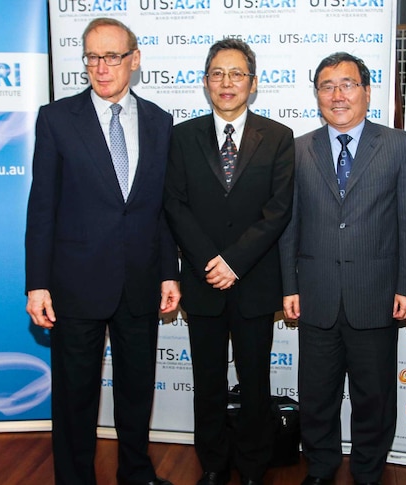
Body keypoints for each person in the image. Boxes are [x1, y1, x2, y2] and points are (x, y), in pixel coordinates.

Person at [25, 17, 180, 485]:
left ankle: (136, 471)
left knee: (135, 391)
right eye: (92, 56)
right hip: (75, 283)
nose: (101, 66)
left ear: (134, 60)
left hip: (140, 279)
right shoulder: (56, 119)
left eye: (112, 56)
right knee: (75, 396)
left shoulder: (159, 121)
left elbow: (161, 207)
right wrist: (37, 283)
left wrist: (169, 272)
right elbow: (42, 206)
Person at [279, 52, 406, 485]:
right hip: (317, 295)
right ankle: (321, 469)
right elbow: (289, 225)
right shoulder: (298, 148)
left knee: (373, 397)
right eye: (327, 86)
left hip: (376, 295)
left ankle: (367, 471)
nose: (338, 94)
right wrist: (290, 284)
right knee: (317, 395)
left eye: (347, 84)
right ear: (317, 95)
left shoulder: (399, 145)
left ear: (366, 90)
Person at [164, 39, 295, 485]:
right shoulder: (181, 137)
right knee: (208, 383)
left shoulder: (278, 137)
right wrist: (209, 261)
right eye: (218, 73)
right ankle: (215, 465)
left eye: (237, 74)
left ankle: (255, 467)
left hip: (254, 281)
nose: (227, 83)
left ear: (253, 84)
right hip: (203, 283)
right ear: (205, 82)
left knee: (256, 381)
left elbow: (278, 210)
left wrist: (234, 262)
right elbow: (175, 205)